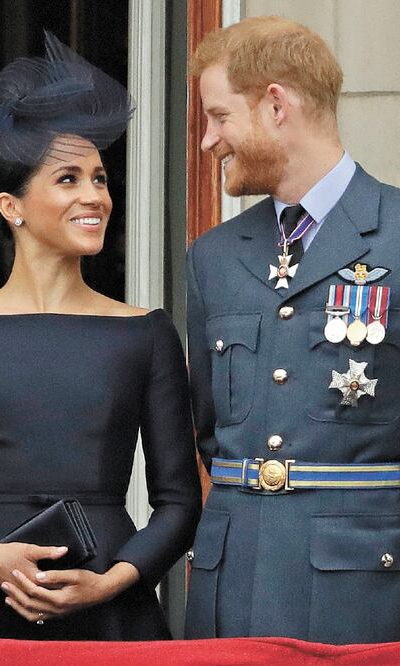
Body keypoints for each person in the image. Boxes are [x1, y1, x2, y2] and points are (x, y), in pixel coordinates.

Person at [0, 32, 200, 640]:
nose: (95, 196)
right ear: (12, 206)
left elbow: (180, 503)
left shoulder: (147, 333)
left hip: (108, 604)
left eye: (101, 179)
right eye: (68, 179)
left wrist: (113, 580)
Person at [185, 16, 400, 644]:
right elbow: (209, 432)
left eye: (220, 117)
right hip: (233, 587)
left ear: (276, 105)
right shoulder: (214, 256)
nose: (207, 140)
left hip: (364, 596)